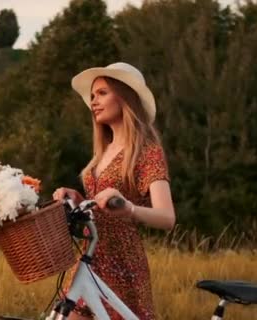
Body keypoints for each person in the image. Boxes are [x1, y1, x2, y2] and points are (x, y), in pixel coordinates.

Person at [52, 62, 176, 320]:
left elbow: (167, 217)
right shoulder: (103, 152)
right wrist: (79, 198)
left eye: (102, 93)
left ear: (125, 97)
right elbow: (99, 204)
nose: (94, 101)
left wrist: (127, 208)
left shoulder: (146, 151)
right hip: (91, 256)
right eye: (92, 95)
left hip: (122, 263)